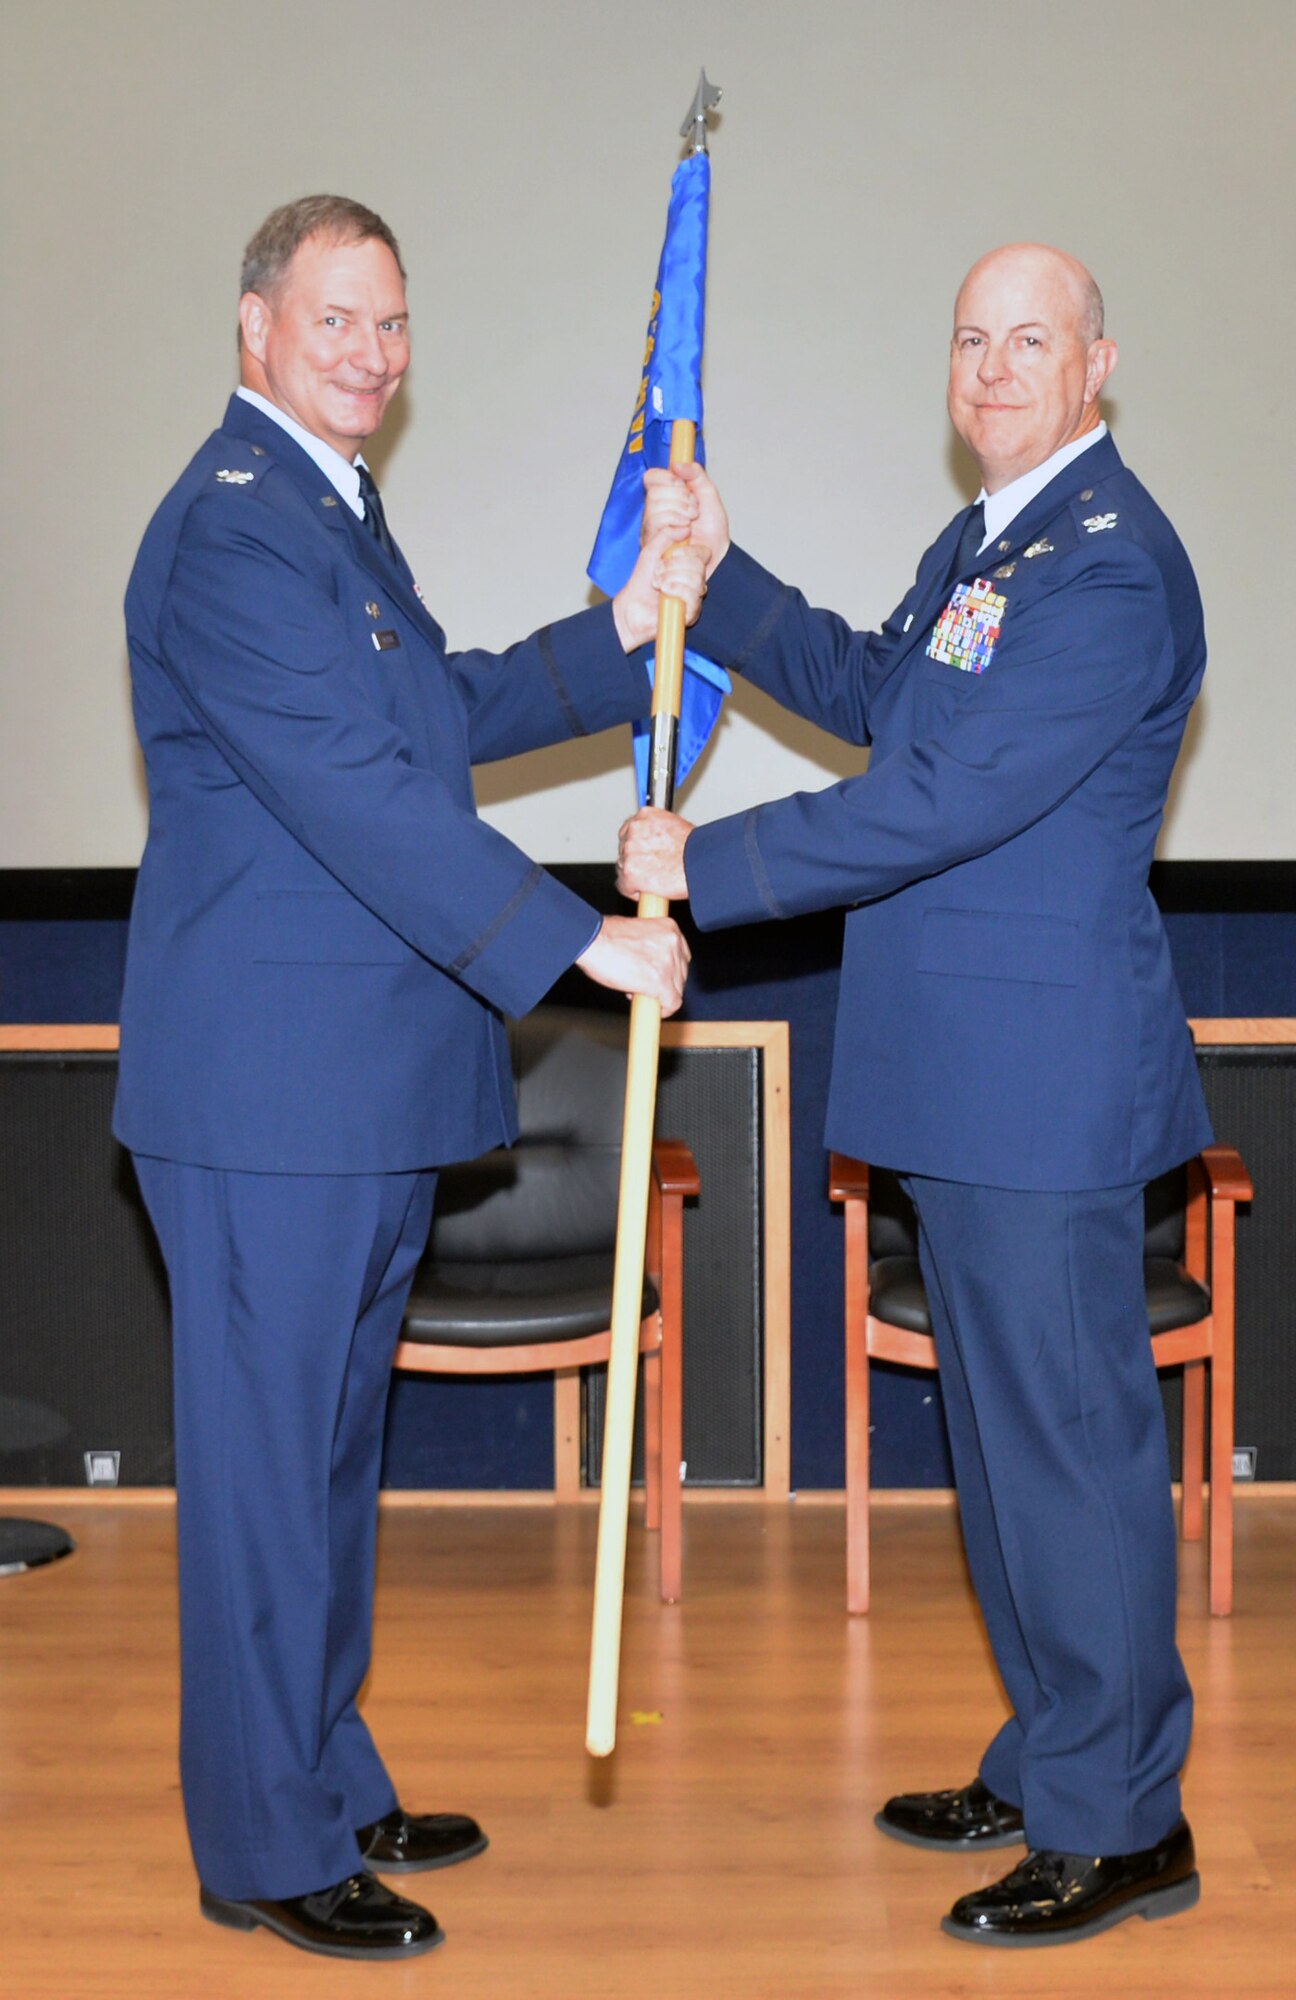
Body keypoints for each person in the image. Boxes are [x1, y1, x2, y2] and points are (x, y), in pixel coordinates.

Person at [115, 193, 704, 1963]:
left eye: (391, 322)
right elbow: (356, 796)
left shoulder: (325, 515)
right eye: (334, 319)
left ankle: (324, 1763)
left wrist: (620, 633)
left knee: (324, 1465)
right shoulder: (232, 532)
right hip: (269, 1103)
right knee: (266, 1478)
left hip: (341, 1093)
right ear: (253, 326)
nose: (369, 352)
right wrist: (577, 938)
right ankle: (266, 1845)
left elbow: (423, 715)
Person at [619, 242, 1211, 1948]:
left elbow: (939, 798)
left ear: (1102, 363)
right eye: (973, 338)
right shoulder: (996, 541)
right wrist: (721, 583)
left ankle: (1125, 1822)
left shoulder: (1106, 567)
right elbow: (889, 692)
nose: (997, 365)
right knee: (1010, 1451)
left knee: (1074, 1454)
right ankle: (1051, 1754)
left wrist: (704, 859)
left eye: (1034, 339)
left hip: (1042, 1084)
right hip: (968, 1079)